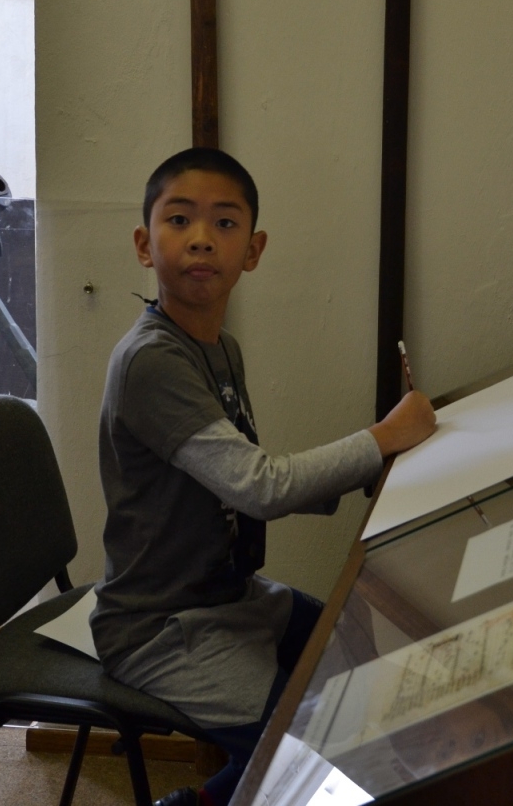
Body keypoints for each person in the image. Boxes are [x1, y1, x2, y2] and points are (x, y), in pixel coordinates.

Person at [92, 147, 437, 806]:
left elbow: (239, 482)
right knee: (314, 745)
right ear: (143, 244)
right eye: (179, 219)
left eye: (224, 223)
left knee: (357, 658)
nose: (201, 237)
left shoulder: (221, 348)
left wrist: (367, 467)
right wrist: (382, 439)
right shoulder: (152, 361)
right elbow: (260, 486)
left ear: (252, 250)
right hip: (159, 629)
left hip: (230, 598)